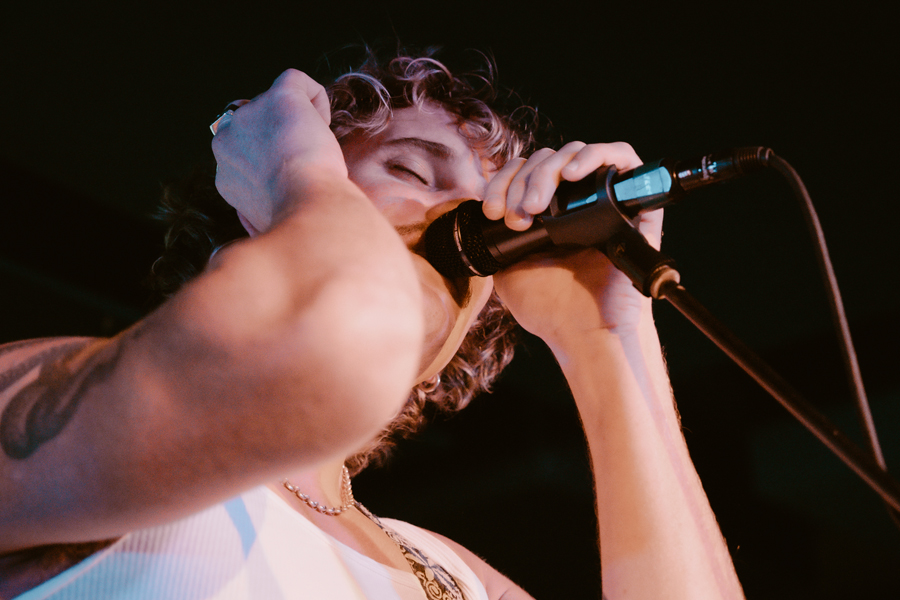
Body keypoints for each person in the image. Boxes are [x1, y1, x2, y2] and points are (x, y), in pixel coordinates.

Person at [0, 49, 744, 599]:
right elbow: (333, 333)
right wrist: (294, 169)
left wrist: (608, 339)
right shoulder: (53, 407)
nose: (462, 226)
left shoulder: (459, 580)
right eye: (414, 172)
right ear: (255, 206)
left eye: (486, 217)